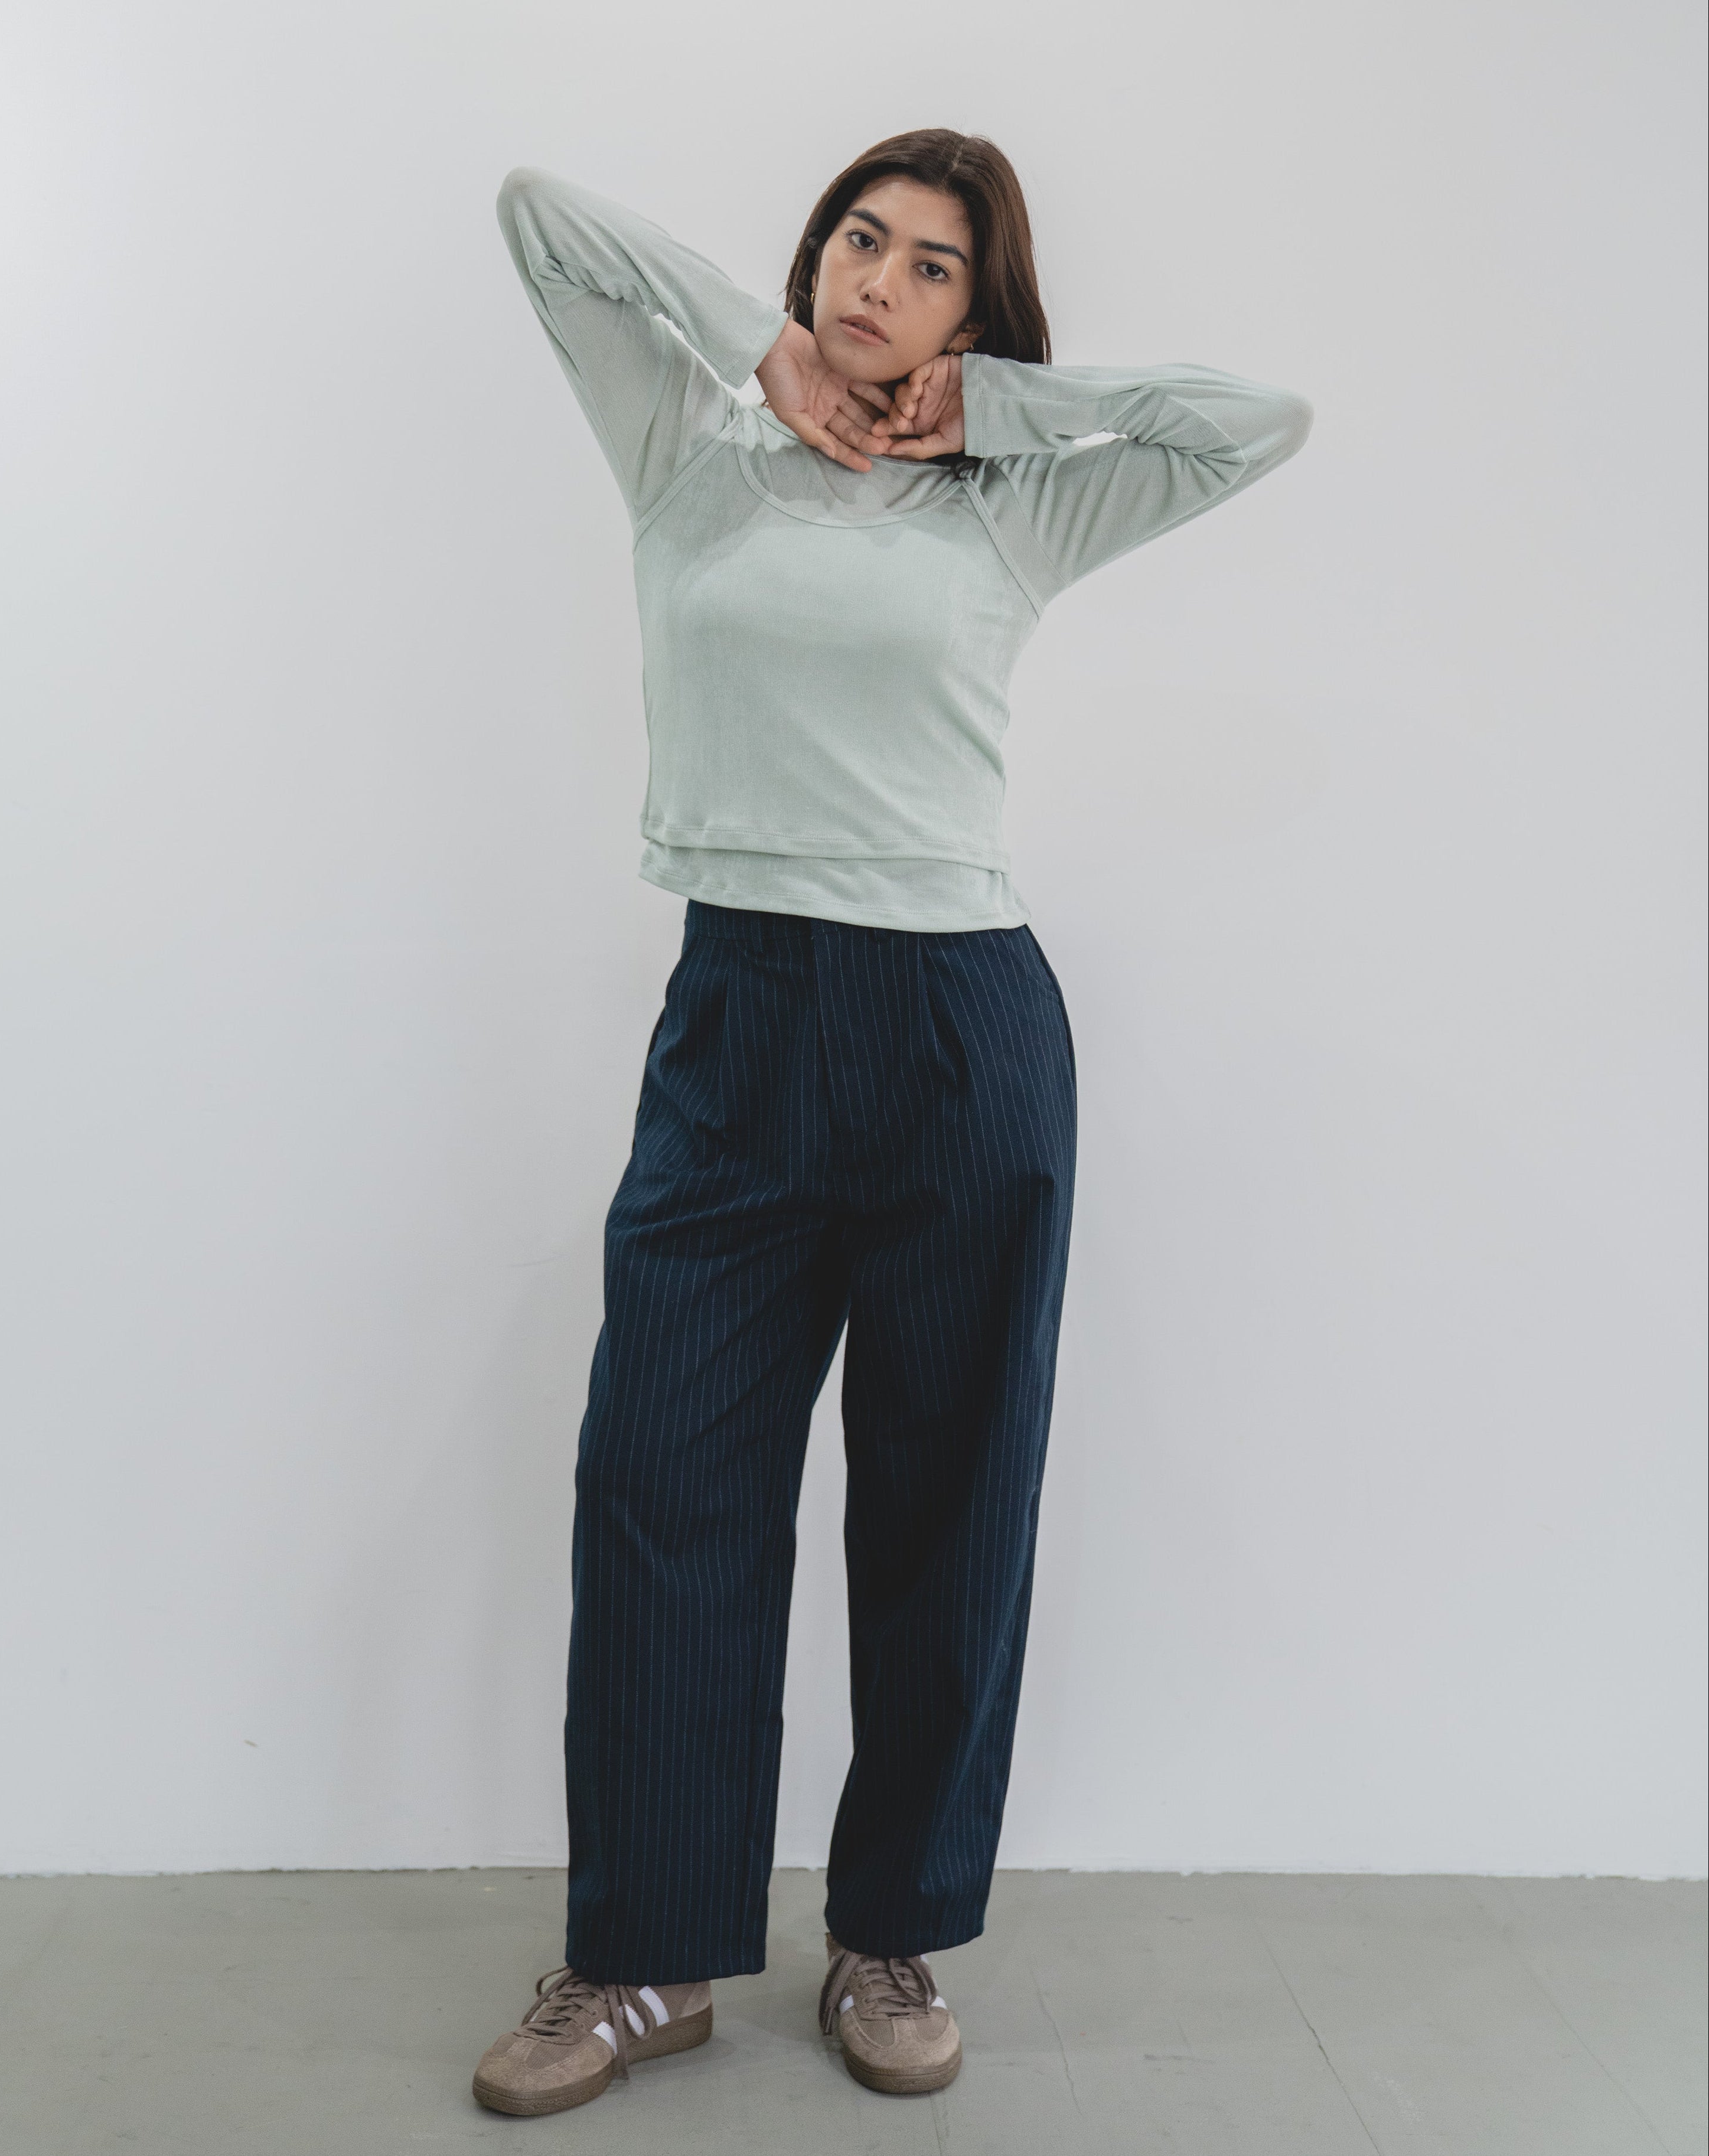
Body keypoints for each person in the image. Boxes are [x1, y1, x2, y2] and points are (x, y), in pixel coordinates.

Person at [474, 128, 1312, 2118]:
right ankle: (642, 1957)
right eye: (862, 240)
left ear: (972, 314)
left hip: (960, 1024)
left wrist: (990, 409)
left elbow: (1254, 422)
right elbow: (539, 218)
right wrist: (754, 348)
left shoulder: (1011, 506)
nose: (881, 280)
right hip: (737, 1021)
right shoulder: (688, 450)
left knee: (948, 1496)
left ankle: (889, 1932)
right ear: (814, 254)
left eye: (934, 265)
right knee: (661, 1479)